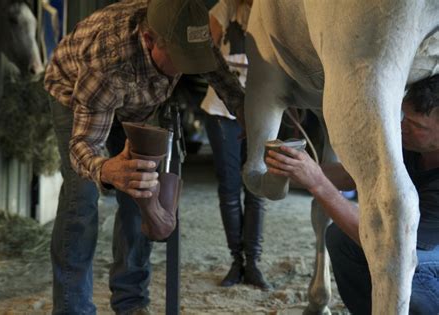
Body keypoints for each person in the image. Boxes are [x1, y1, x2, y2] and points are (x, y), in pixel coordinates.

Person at [43, 1, 245, 314]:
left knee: (142, 190)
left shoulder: (187, 31)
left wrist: (251, 116)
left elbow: (221, 77)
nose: (184, 68)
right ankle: (72, 307)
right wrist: (108, 169)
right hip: (76, 95)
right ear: (150, 39)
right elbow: (82, 146)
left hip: (137, 101)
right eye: (179, 59)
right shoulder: (107, 62)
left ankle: (131, 302)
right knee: (81, 198)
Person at [265, 74, 439, 314]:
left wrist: (317, 183)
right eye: (404, 117)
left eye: (417, 125)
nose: (402, 127)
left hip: (427, 258)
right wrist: (295, 170)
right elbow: (355, 175)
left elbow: (389, 242)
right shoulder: (413, 146)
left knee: (410, 287)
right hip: (417, 248)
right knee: (340, 238)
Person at [199, 0, 269, 290]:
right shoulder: (223, 9)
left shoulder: (271, 10)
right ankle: (236, 260)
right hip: (221, 107)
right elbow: (207, 54)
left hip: (262, 107)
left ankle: (253, 261)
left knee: (257, 185)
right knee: (229, 186)